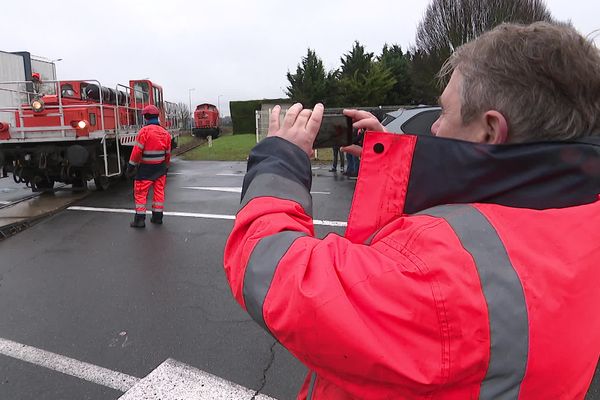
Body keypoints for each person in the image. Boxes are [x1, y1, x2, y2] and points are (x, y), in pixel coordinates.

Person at [224, 22, 600, 399]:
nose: (434, 127)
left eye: (445, 111)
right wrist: (392, 161)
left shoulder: (443, 277)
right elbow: (482, 221)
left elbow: (273, 271)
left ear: (490, 130)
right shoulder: (582, 217)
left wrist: (279, 163)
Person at [127, 104, 172, 228]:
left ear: (146, 117)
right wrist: (166, 167)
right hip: (160, 168)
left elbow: (137, 152)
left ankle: (140, 220)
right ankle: (158, 218)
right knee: (159, 193)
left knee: (140, 193)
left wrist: (131, 166)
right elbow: (168, 154)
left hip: (145, 169)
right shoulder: (165, 133)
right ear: (157, 116)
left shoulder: (144, 132)